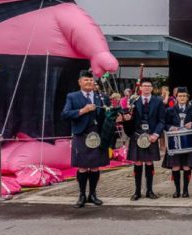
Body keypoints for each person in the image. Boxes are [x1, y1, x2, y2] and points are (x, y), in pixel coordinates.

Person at [62, 71, 115, 207]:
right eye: (86, 80)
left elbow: (108, 115)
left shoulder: (102, 97)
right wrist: (82, 110)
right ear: (80, 82)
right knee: (83, 168)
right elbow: (65, 114)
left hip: (98, 136)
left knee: (95, 167)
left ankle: (93, 194)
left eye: (91, 81)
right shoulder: (72, 97)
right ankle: (81, 195)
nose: (89, 83)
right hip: (82, 135)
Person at [125, 78, 165, 201]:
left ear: (152, 88)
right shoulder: (133, 100)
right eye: (145, 86)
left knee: (149, 162)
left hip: (151, 135)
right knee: (137, 162)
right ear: (140, 88)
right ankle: (137, 192)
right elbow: (128, 117)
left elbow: (162, 121)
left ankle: (149, 191)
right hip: (137, 134)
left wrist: (156, 135)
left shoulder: (158, 101)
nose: (147, 87)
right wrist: (126, 118)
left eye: (149, 86)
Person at [161, 87, 192, 198]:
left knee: (187, 166)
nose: (182, 98)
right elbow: (164, 124)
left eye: (184, 96)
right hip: (174, 142)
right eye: (180, 96)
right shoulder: (170, 110)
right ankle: (177, 191)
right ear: (176, 97)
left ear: (187, 97)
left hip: (188, 141)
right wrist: (171, 127)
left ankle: (186, 190)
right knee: (176, 166)